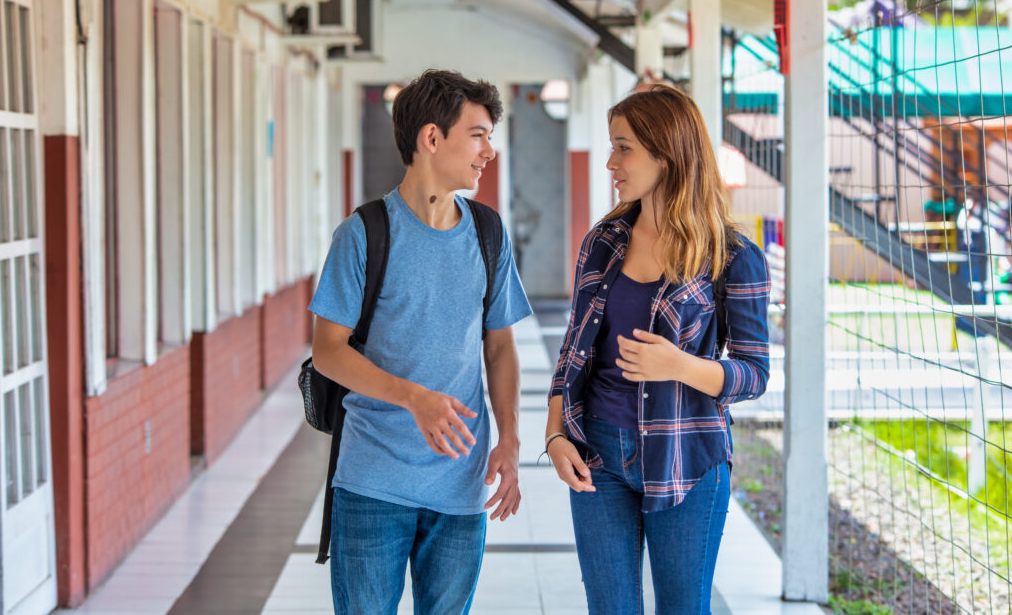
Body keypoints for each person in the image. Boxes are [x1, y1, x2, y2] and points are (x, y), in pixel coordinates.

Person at [309, 69, 532, 614]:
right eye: (477, 135)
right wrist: (414, 397)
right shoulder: (363, 235)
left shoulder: (487, 232)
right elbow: (328, 351)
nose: (488, 152)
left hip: (460, 486)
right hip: (371, 484)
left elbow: (499, 348)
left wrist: (509, 439)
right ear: (432, 138)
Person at [545, 84, 771, 613]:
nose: (610, 162)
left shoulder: (733, 256)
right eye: (611, 146)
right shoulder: (603, 241)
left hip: (687, 459)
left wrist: (680, 366)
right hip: (598, 454)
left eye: (623, 147)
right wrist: (556, 434)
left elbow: (754, 374)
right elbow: (573, 351)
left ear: (666, 152)